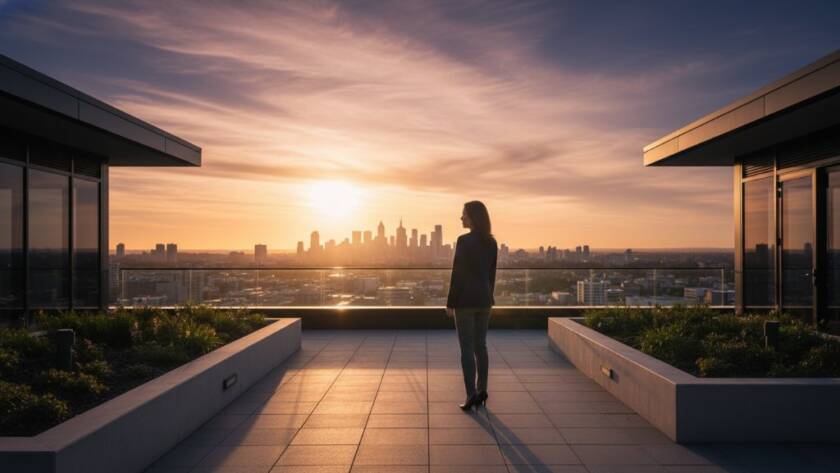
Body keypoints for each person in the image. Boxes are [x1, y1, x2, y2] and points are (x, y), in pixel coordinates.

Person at [445, 200, 498, 411]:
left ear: (473, 217)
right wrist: (488, 296)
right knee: (481, 346)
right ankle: (482, 389)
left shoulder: (464, 241)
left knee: (466, 348)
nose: (461, 218)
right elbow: (491, 275)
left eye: (464, 214)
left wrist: (450, 302)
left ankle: (470, 395)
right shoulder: (492, 243)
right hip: (485, 302)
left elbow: (457, 275)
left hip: (465, 303)